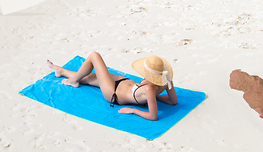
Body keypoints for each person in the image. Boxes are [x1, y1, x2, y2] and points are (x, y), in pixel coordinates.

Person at [47, 52, 177, 121]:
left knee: (94, 56)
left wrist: (134, 110)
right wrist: (154, 98)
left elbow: (153, 117)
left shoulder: (149, 89)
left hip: (114, 93)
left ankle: (72, 80)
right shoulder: (166, 81)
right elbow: (173, 101)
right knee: (90, 78)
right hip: (124, 82)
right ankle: (61, 71)